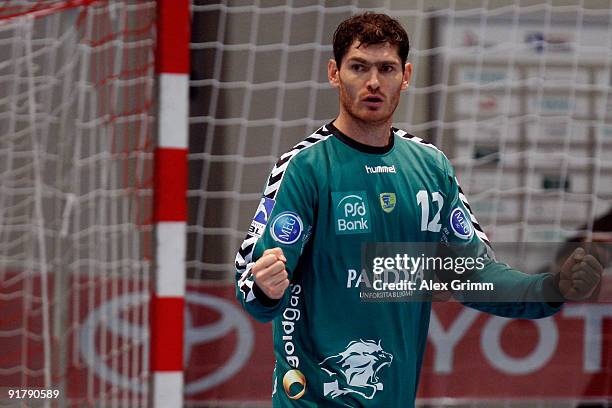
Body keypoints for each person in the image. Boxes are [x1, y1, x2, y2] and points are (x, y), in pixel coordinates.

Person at [234, 13, 603, 407]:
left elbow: (472, 274)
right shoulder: (305, 167)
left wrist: (551, 288)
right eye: (358, 67)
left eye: (386, 68)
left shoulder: (430, 167)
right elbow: (252, 283)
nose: (373, 82)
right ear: (334, 73)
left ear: (405, 75)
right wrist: (263, 287)